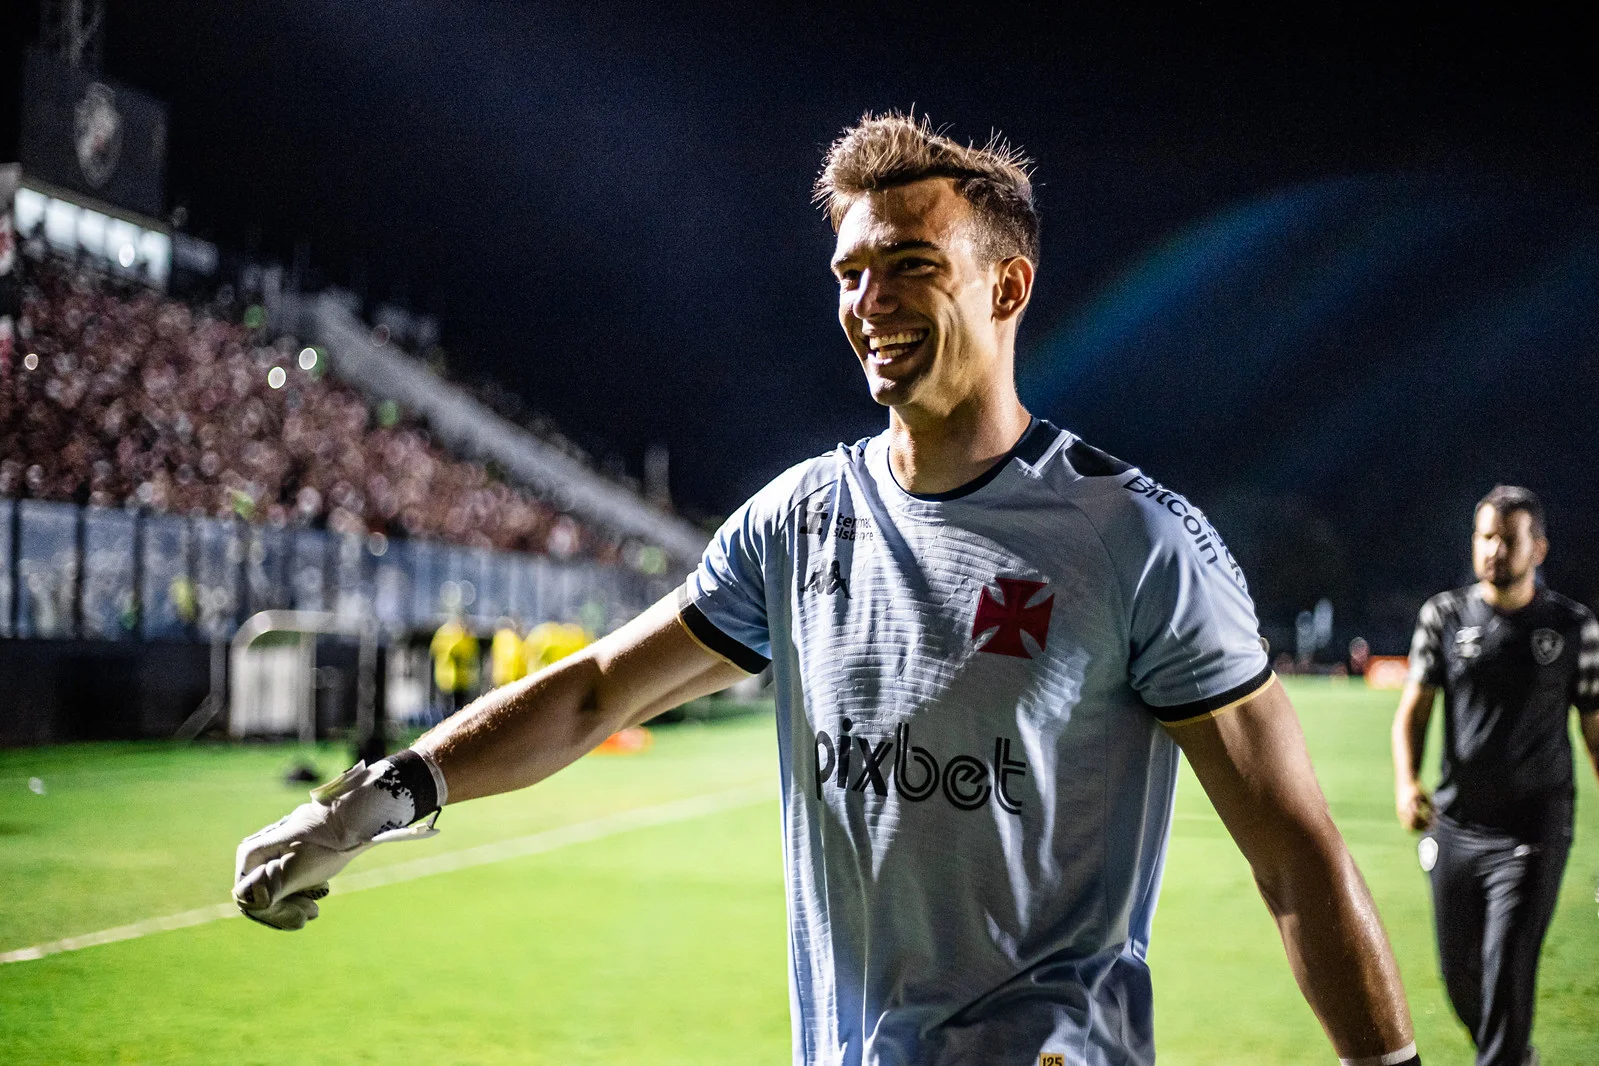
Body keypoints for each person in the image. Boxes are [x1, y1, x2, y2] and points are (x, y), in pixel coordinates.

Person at [235, 114, 1419, 1066]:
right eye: (851, 271)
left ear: (1007, 288)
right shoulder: (799, 521)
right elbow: (595, 691)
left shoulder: (1136, 540)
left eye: (911, 265)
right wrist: (377, 797)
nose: (870, 301)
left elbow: (1295, 851)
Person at [1392, 485, 1599, 1066]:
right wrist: (1407, 783)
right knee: (1463, 985)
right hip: (1456, 828)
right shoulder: (1443, 616)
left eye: (1509, 539)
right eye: (1485, 536)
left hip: (1534, 831)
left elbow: (1595, 731)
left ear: (1539, 549)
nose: (1493, 550)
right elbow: (1413, 711)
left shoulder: (1574, 627)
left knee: (1507, 976)